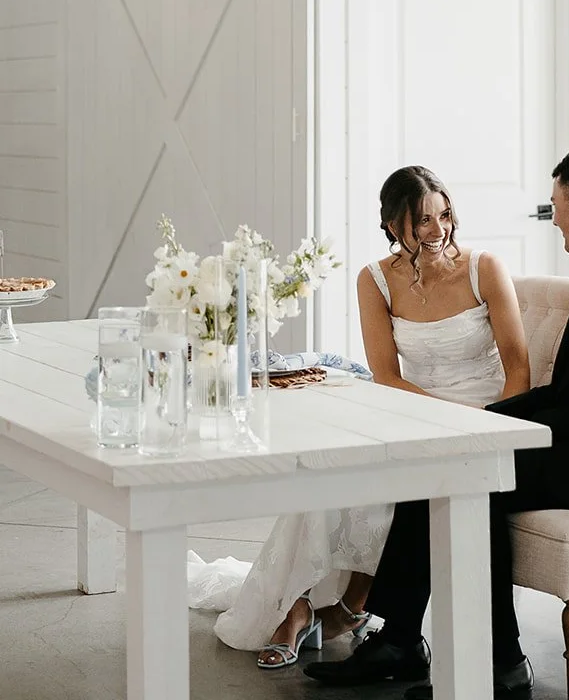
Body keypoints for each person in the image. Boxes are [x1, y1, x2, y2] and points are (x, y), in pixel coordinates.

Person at [307, 144, 569, 698]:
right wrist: (490, 422)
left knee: (475, 478)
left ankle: (498, 663)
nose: (555, 217)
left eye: (557, 204)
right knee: (453, 459)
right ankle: (403, 641)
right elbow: (567, 390)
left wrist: (519, 431)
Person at [211, 165, 530, 671]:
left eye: (443, 215)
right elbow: (386, 375)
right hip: (412, 411)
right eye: (420, 221)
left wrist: (496, 429)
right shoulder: (375, 280)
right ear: (392, 225)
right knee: (332, 473)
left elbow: (518, 368)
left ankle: (361, 616)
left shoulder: (483, 267)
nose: (437, 230)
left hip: (486, 419)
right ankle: (299, 604)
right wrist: (434, 421)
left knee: (403, 489)